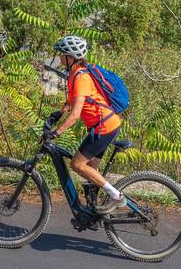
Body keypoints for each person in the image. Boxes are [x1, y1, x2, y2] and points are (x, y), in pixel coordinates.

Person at [47, 34, 124, 213]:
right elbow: (71, 102)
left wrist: (56, 133)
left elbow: (75, 115)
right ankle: (95, 213)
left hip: (104, 128)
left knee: (77, 164)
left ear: (71, 57)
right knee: (91, 173)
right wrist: (58, 114)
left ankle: (117, 197)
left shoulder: (81, 77)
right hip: (103, 126)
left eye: (62, 54)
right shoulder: (75, 74)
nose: (59, 57)